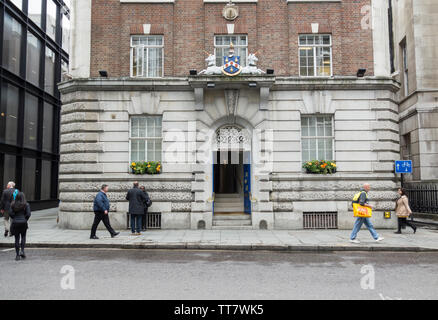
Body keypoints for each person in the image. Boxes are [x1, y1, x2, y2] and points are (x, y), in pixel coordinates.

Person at [9, 191, 31, 261]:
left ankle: (17, 255)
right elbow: (28, 214)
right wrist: (25, 219)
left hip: (15, 223)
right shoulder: (26, 204)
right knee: (23, 237)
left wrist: (14, 218)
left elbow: (10, 213)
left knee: (16, 238)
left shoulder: (12, 204)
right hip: (23, 223)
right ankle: (22, 251)